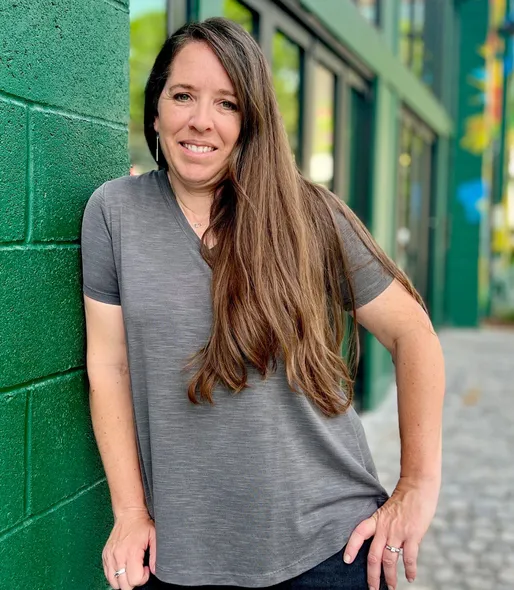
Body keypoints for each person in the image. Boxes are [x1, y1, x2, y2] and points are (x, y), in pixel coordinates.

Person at [81, 17, 444, 590]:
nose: (201, 119)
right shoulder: (114, 213)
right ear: (155, 111)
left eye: (226, 103)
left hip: (328, 548)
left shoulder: (308, 214)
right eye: (183, 96)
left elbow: (413, 335)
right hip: (179, 555)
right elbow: (109, 366)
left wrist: (416, 487)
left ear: (251, 121)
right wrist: (129, 513)